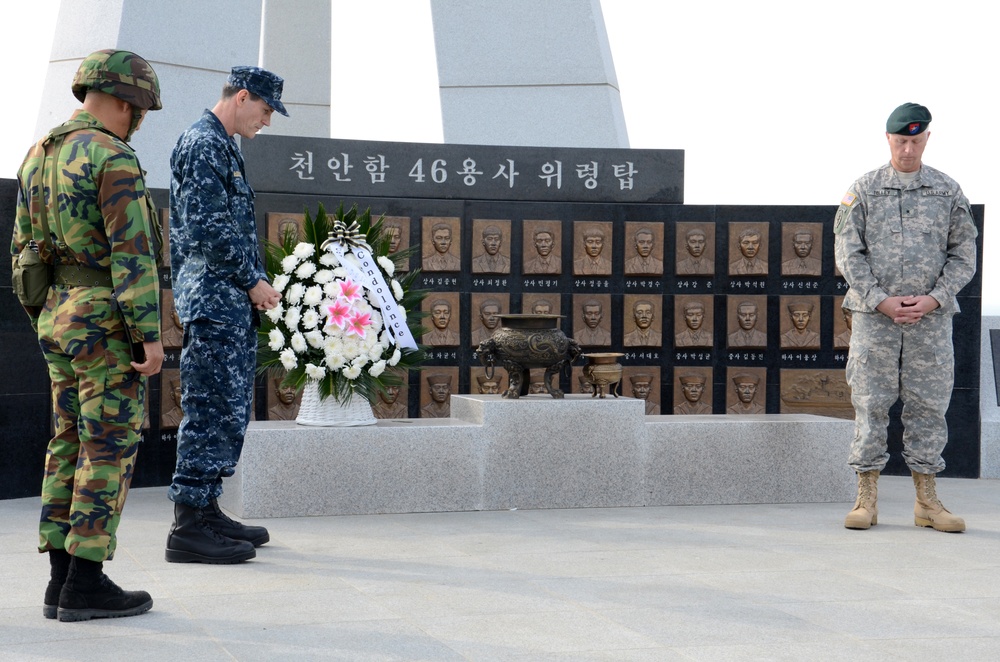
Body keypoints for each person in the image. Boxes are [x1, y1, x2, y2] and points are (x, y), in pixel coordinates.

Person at [12, 50, 164, 621]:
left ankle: (59, 582)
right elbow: (134, 255)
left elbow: (21, 253)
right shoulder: (113, 156)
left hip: (57, 316)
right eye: (140, 109)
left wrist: (47, 316)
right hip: (105, 321)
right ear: (126, 102)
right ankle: (88, 583)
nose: (138, 119)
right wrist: (147, 335)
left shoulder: (37, 153)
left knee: (67, 440)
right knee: (108, 443)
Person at [835, 102, 977, 532]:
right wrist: (879, 299)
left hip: (929, 323)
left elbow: (964, 254)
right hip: (874, 320)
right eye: (902, 141)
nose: (909, 149)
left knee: (929, 407)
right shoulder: (864, 189)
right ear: (888, 139)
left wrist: (935, 298)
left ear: (927, 139)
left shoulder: (947, 191)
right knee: (870, 405)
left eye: (916, 140)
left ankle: (927, 502)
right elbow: (847, 252)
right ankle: (866, 499)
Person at [165, 66, 287, 564]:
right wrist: (253, 280)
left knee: (227, 410)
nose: (267, 122)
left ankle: (207, 508)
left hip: (227, 302)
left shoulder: (223, 144)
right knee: (210, 408)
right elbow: (209, 228)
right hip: (216, 301)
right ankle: (188, 527)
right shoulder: (203, 144)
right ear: (242, 97)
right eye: (264, 110)